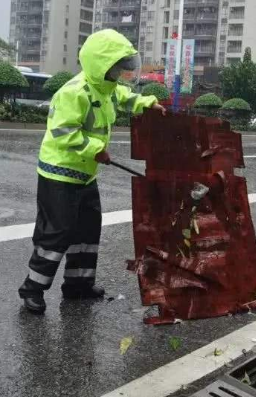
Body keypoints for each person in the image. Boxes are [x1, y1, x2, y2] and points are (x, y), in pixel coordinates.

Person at [18, 29, 166, 314]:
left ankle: (78, 286)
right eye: (118, 67)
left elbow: (124, 96)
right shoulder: (74, 92)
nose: (122, 72)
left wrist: (147, 103)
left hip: (86, 175)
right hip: (59, 174)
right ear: (102, 65)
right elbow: (63, 133)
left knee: (87, 230)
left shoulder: (104, 88)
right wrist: (95, 149)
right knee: (56, 234)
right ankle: (32, 289)